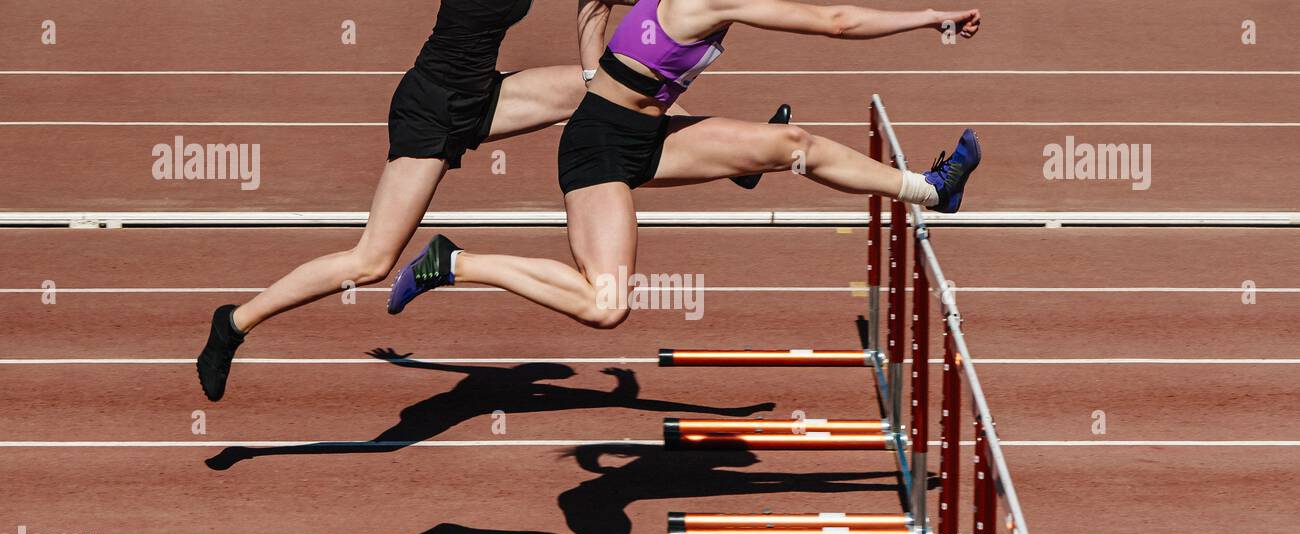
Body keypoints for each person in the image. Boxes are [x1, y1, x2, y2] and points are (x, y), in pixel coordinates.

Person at [196, 0, 783, 401]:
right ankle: (236, 322)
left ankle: (738, 163)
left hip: (485, 93)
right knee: (370, 262)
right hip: (431, 107)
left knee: (608, 86)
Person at [387, 0, 983, 332]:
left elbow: (592, 2)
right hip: (598, 150)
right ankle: (454, 262)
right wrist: (930, 17)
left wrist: (597, 69)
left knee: (793, 143)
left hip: (649, 134)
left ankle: (932, 189)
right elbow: (836, 23)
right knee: (607, 305)